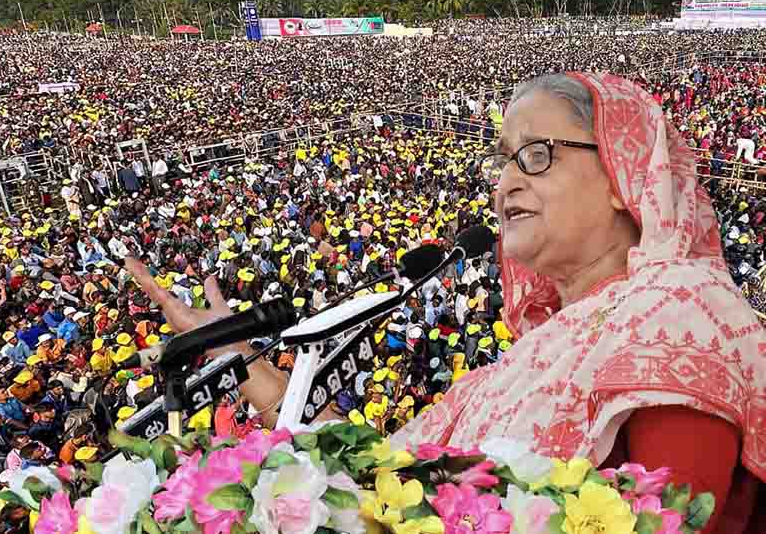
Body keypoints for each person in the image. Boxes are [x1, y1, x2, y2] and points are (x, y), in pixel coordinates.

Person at [125, 73, 766, 534]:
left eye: (536, 155)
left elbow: (668, 517)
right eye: (502, 158)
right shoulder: (515, 366)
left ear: (627, 175)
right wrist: (241, 355)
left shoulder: (682, 308)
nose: (505, 179)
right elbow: (377, 494)